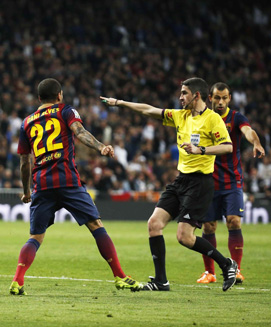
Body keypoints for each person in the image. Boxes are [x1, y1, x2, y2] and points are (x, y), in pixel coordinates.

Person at [100, 77, 238, 292]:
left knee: (184, 237)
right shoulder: (180, 115)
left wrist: (200, 150)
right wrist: (120, 103)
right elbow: (149, 110)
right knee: (153, 225)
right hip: (181, 180)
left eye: (184, 93)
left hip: (200, 183)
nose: (180, 97)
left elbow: (227, 146)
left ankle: (226, 264)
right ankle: (161, 280)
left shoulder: (212, 119)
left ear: (196, 95)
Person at [9, 78, 141, 296]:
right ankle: (119, 276)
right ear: (59, 95)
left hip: (41, 183)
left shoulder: (27, 122)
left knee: (35, 237)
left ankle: (17, 281)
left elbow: (24, 161)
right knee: (96, 225)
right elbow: (79, 132)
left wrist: (26, 191)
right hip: (68, 180)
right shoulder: (66, 110)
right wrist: (101, 147)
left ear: (39, 98)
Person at [196, 82, 265, 285]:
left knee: (234, 221)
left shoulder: (236, 118)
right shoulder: (202, 118)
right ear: (210, 98)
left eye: (224, 98)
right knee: (209, 226)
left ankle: (237, 269)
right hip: (208, 181)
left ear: (230, 98)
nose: (221, 101)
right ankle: (210, 272)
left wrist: (256, 142)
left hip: (232, 181)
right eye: (217, 97)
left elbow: (248, 131)